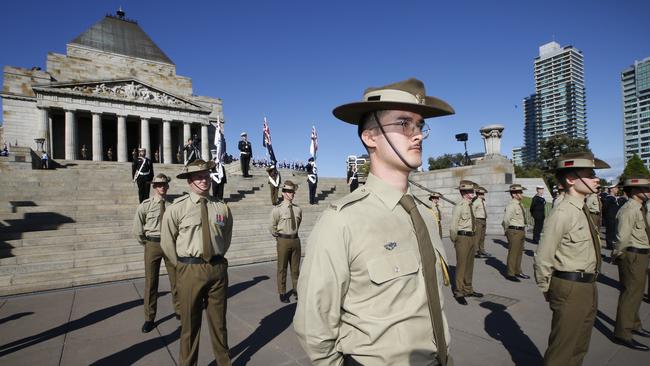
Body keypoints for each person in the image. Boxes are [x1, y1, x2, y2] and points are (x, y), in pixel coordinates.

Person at [294, 78, 454, 365]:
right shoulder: (342, 221)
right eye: (404, 124)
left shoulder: (425, 215)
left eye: (419, 125)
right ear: (370, 137)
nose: (416, 135)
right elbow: (313, 323)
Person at [533, 152, 610, 366]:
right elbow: (543, 256)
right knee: (562, 351)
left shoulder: (581, 209)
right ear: (571, 179)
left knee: (579, 347)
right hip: (569, 286)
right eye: (590, 174)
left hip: (587, 285)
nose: (597, 179)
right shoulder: (563, 212)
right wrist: (548, 288)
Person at [160, 159, 233, 366]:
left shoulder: (221, 207)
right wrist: (182, 266)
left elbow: (225, 237)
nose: (204, 180)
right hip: (189, 269)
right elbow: (167, 242)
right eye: (199, 177)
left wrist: (217, 257)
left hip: (217, 268)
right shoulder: (177, 208)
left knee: (219, 323)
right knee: (190, 325)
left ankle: (224, 362)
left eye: (207, 176)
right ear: (189, 181)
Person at [132, 173, 180, 333]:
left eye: (165, 184)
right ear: (154, 187)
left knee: (176, 280)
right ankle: (149, 318)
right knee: (151, 283)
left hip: (170, 244)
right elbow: (138, 230)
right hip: (152, 244)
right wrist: (147, 243)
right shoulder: (145, 205)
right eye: (159, 185)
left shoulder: (173, 205)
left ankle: (180, 312)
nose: (162, 187)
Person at [611, 177, 650, 351]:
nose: (649, 191)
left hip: (640, 254)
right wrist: (618, 255)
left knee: (636, 292)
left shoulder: (640, 208)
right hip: (632, 255)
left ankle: (634, 324)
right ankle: (622, 333)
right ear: (635, 191)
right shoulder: (629, 209)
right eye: (646, 188)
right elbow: (622, 237)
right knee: (630, 294)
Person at [269, 180, 302, 303]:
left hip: (295, 239)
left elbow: (298, 223)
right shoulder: (277, 209)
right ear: (283, 193)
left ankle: (296, 289)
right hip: (283, 240)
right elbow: (272, 226)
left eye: (292, 191)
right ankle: (282, 292)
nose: (291, 193)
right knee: (282, 268)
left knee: (295, 268)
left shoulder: (298, 209)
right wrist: (279, 236)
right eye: (288, 191)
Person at [451, 180, 483, 304]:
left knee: (470, 265)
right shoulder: (459, 207)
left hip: (472, 237)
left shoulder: (471, 206)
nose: (472, 193)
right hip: (462, 238)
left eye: (472, 190)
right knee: (461, 266)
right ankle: (459, 292)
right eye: (470, 191)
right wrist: (456, 240)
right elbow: (453, 226)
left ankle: (468, 289)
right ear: (464, 193)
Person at [503, 184, 529, 282]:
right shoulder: (511, 205)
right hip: (514, 231)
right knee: (513, 253)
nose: (522, 194)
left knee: (519, 253)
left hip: (521, 230)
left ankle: (518, 271)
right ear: (514, 195)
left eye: (522, 192)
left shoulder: (520, 204)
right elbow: (506, 220)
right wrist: (507, 231)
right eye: (520, 192)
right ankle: (510, 273)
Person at [473, 186, 492, 258]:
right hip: (478, 220)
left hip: (484, 220)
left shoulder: (483, 201)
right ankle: (475, 251)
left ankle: (482, 250)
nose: (483, 195)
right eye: (481, 194)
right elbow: (473, 210)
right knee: (477, 237)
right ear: (478, 194)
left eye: (483, 194)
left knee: (482, 237)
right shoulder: (476, 202)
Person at [603, 184, 622, 249]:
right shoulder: (609, 198)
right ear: (611, 189)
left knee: (614, 232)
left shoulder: (614, 198)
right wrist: (607, 217)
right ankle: (609, 246)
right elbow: (604, 208)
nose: (617, 190)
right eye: (616, 188)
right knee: (610, 232)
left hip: (614, 218)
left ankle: (612, 244)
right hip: (610, 218)